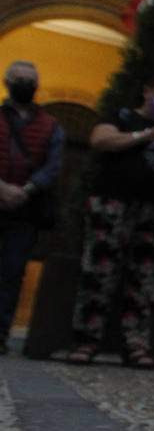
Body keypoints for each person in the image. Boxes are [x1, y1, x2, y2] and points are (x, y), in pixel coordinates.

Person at [68, 66, 154, 367]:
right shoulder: (122, 117)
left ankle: (135, 344)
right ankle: (86, 341)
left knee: (145, 282)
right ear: (147, 91)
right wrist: (147, 134)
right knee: (99, 274)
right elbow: (101, 140)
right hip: (114, 205)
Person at [0, 60, 64, 352]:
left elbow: (53, 166)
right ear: (7, 82)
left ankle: (0, 332)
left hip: (25, 210)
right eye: (20, 80)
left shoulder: (50, 125)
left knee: (12, 272)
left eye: (30, 81)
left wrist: (25, 190)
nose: (25, 85)